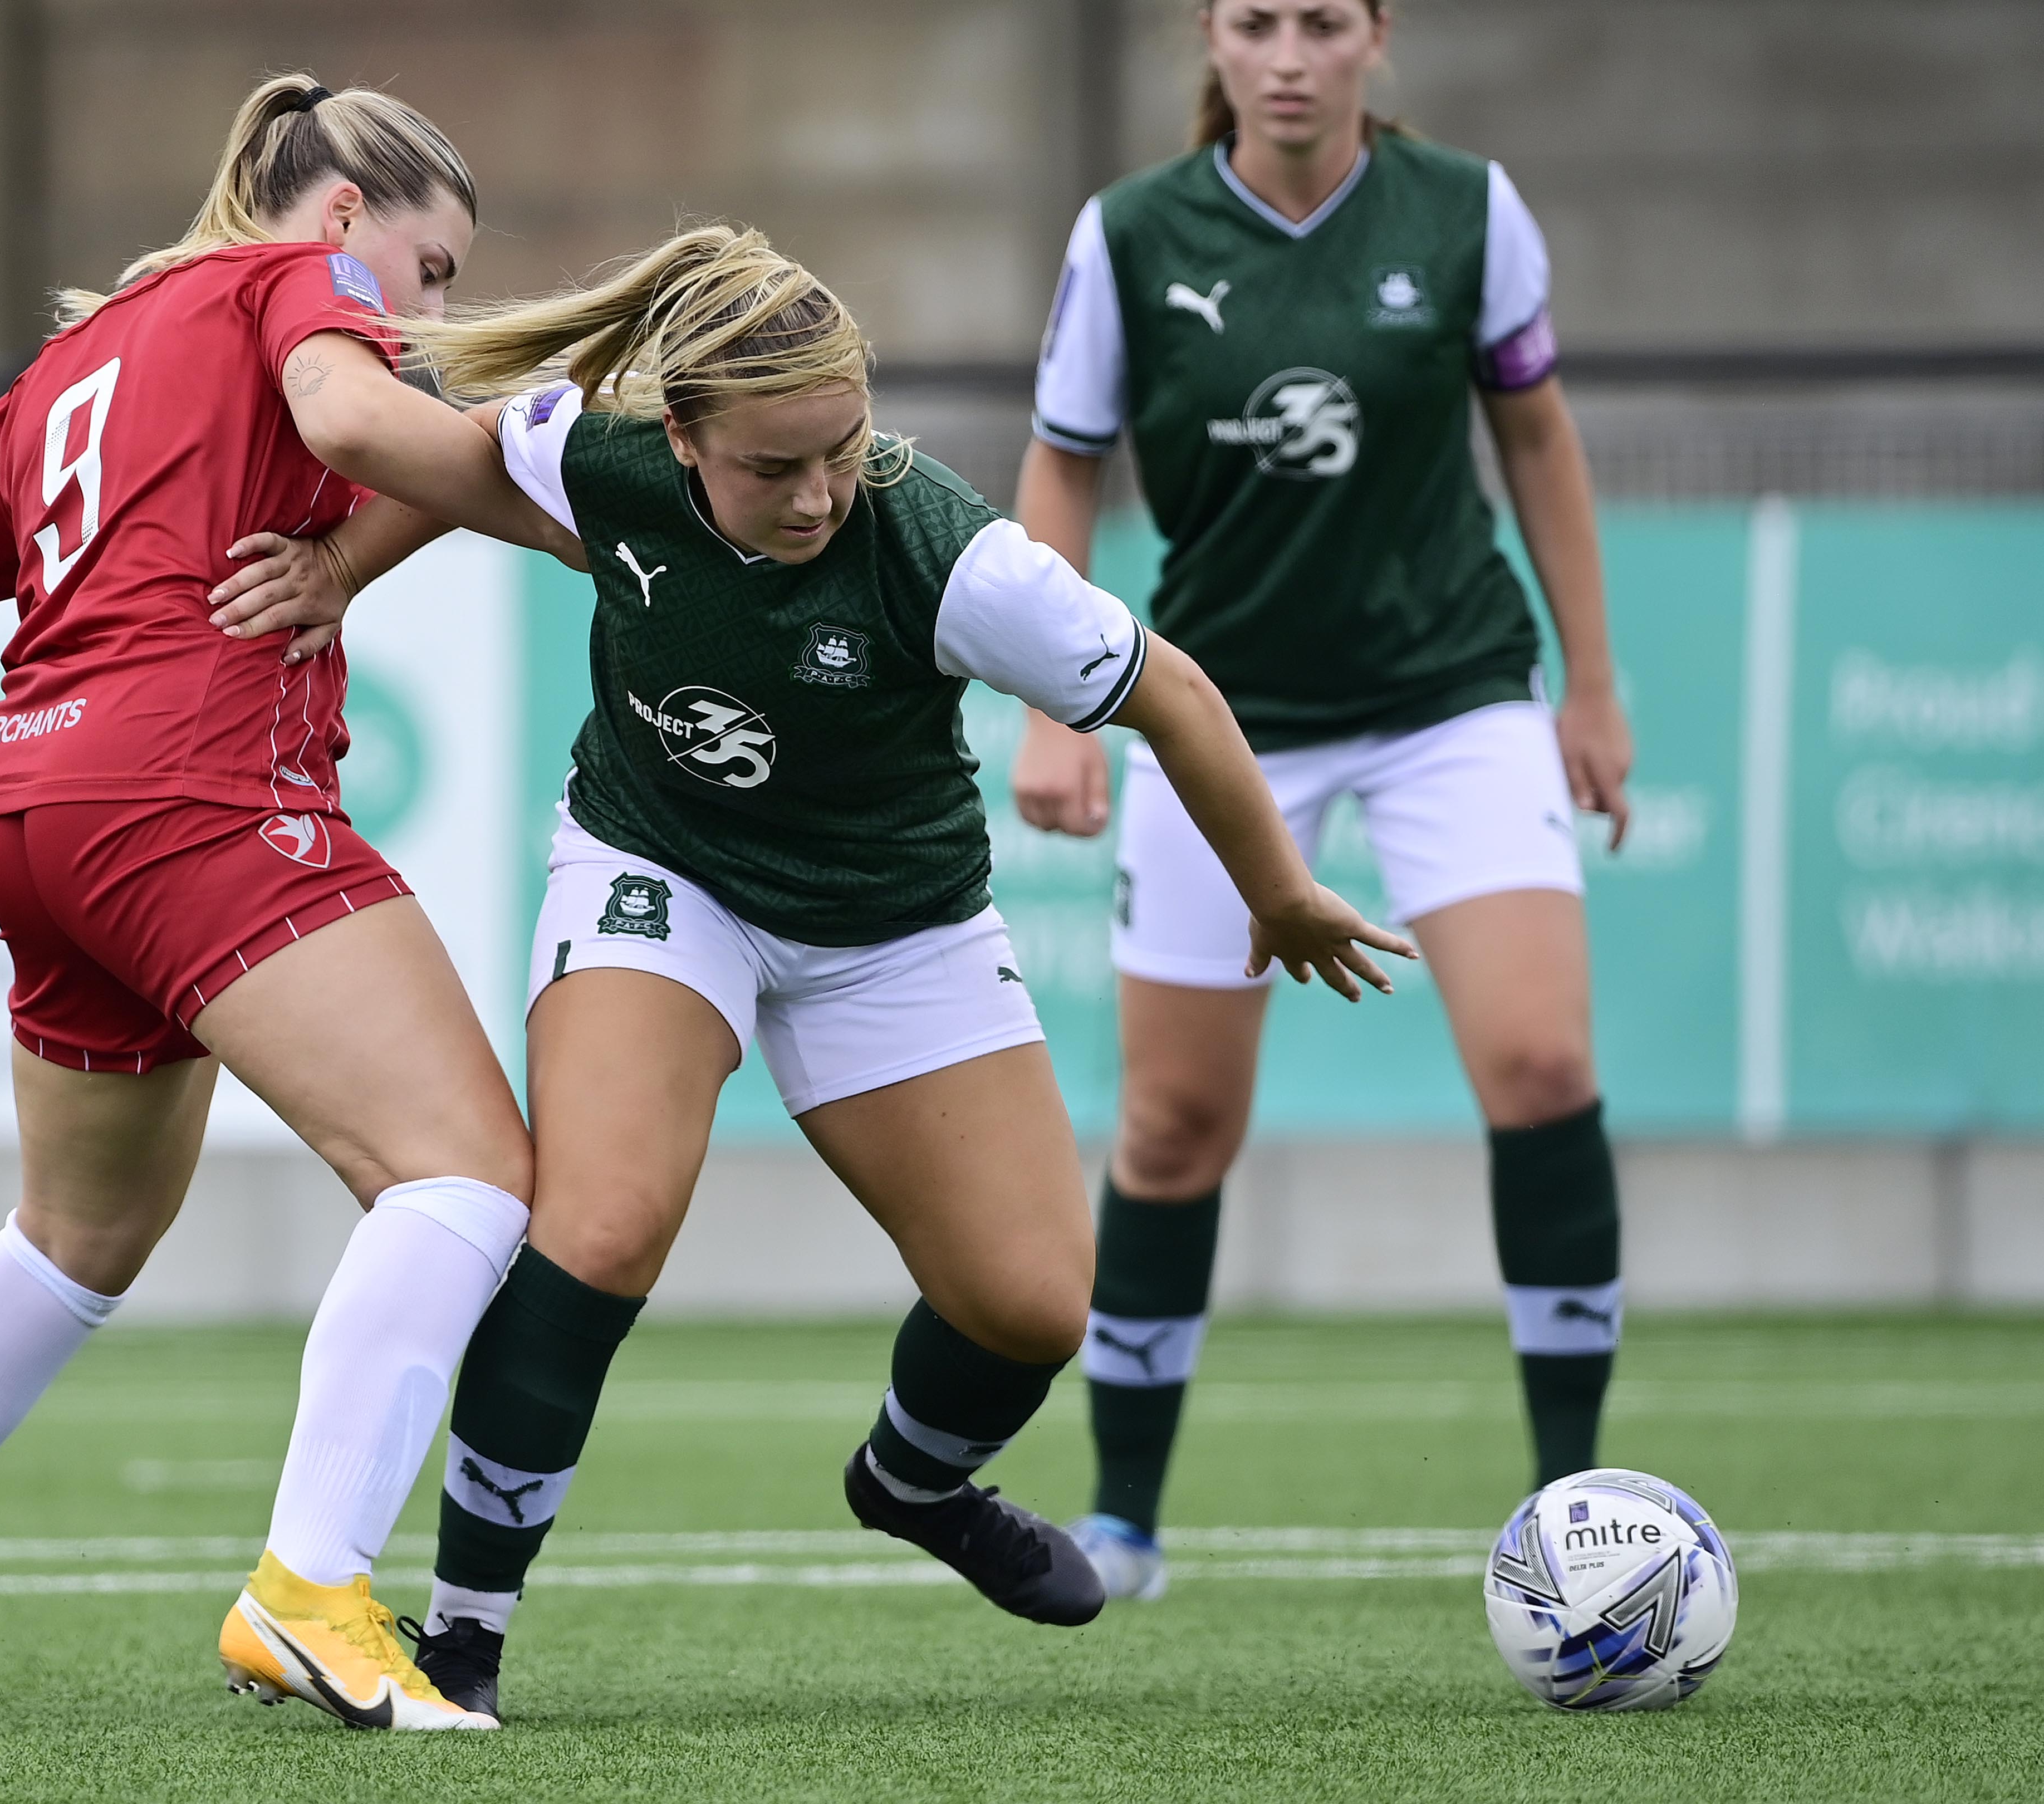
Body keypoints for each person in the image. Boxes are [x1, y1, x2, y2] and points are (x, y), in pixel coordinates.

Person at [205, 223, 1416, 1720]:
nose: (817, 493)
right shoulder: (604, 460)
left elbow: (1170, 694)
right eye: (772, 466)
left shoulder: (946, 552)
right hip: (663, 873)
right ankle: (462, 1635)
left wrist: (1282, 893)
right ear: (683, 433)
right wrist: (332, 565)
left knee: (1035, 1306)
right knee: (600, 1222)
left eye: (839, 449)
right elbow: (455, 467)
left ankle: (913, 1484)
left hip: (893, 928)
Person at [0, 74, 578, 1732]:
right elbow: (348, 423)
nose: (432, 314)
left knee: (76, 1238)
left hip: (35, 805)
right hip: (191, 789)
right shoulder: (300, 283)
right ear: (343, 219)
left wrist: (335, 560)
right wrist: (582, 515)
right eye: (436, 269)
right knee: (465, 1174)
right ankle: (313, 1594)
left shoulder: (73, 360)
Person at [1007, 0, 1635, 1603]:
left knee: (1544, 1059)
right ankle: (1127, 1522)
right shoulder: (1128, 234)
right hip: (1216, 717)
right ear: (1211, 47)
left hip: (1452, 696)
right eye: (1253, 22)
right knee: (1172, 1123)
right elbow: (1063, 463)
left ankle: (1574, 1506)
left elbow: (1539, 438)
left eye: (1322, 22)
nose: (1287, 54)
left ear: (1377, 39)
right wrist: (1056, 706)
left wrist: (1589, 683)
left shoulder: (1469, 211)